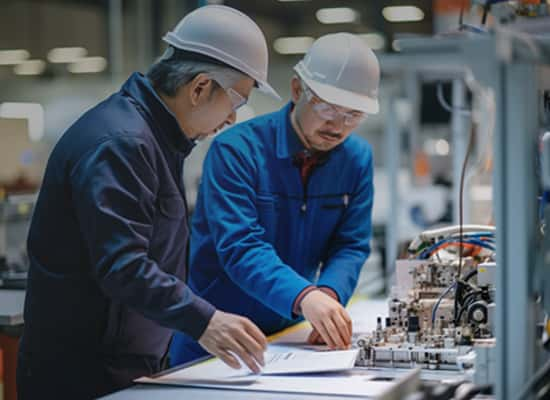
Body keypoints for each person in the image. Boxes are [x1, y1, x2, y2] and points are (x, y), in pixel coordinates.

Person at [16, 5, 280, 399]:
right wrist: (205, 321)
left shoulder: (157, 141)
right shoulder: (122, 143)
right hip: (83, 376)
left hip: (125, 365)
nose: (232, 119)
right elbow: (123, 266)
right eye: (237, 102)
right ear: (200, 87)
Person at [170, 32, 380, 366]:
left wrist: (328, 294)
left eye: (353, 115)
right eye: (328, 107)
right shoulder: (237, 151)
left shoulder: (356, 159)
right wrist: (303, 295)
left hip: (291, 338)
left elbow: (350, 245)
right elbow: (240, 245)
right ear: (297, 90)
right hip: (217, 338)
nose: (338, 126)